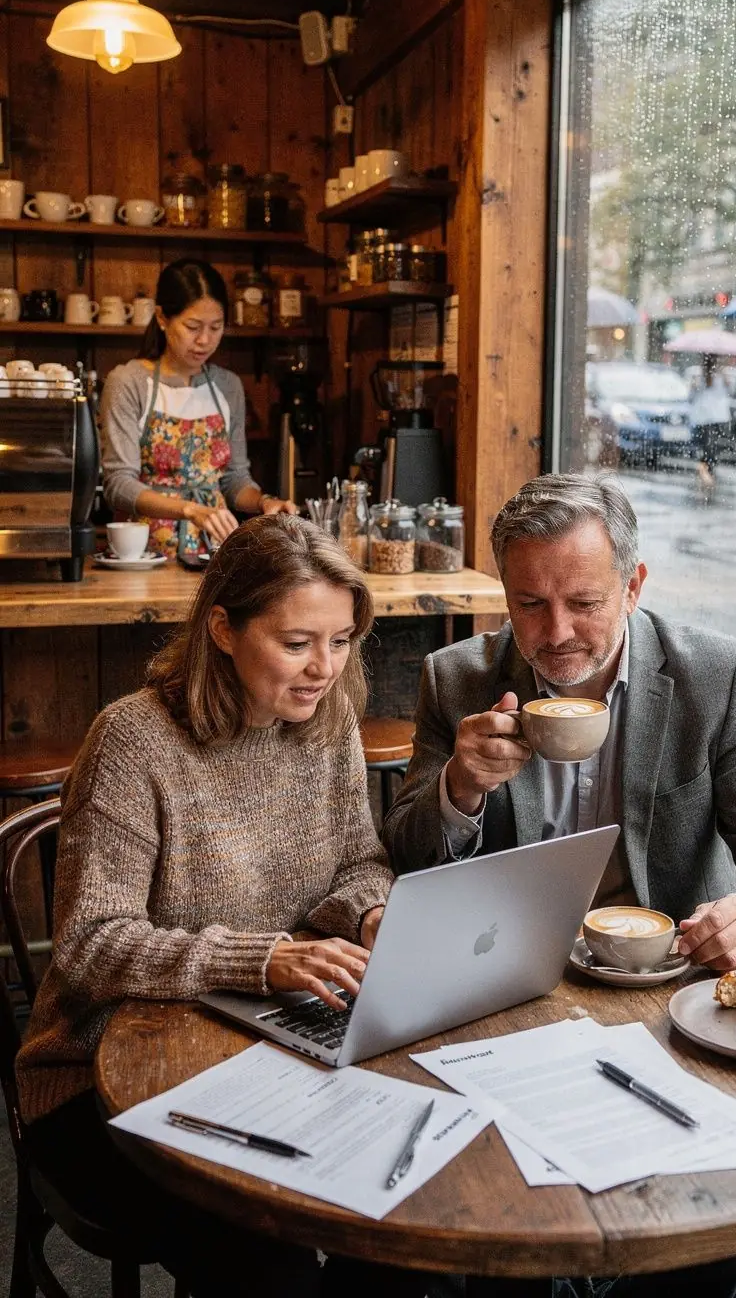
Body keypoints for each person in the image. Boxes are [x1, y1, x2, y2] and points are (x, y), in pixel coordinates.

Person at [383, 473, 736, 1298]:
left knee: (717, 1240)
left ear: (635, 583)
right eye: (530, 605)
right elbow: (407, 859)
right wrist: (459, 791)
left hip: (671, 994)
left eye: (583, 601)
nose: (558, 633)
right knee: (516, 1235)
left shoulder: (713, 676)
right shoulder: (457, 679)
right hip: (510, 995)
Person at [15, 515, 432, 1297]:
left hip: (265, 1046)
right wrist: (263, 958)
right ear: (223, 629)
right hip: (97, 1077)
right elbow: (91, 944)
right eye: (298, 642)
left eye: (342, 641)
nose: (325, 669)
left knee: (399, 1224)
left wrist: (367, 913)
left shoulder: (327, 719)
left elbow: (361, 860)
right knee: (266, 1265)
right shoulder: (134, 742)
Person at [100, 258, 296, 559]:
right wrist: (190, 510)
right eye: (192, 327)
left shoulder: (228, 386)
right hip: (144, 555)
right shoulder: (128, 382)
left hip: (214, 553)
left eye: (215, 328)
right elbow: (118, 485)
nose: (204, 340)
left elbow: (234, 479)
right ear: (163, 318)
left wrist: (264, 502)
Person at [687, 355, 732, 493]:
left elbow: (691, 398)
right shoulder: (700, 377)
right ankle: (706, 470)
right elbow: (727, 394)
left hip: (709, 417)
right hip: (710, 417)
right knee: (710, 446)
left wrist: (726, 380)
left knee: (709, 446)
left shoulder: (719, 377)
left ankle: (705, 469)